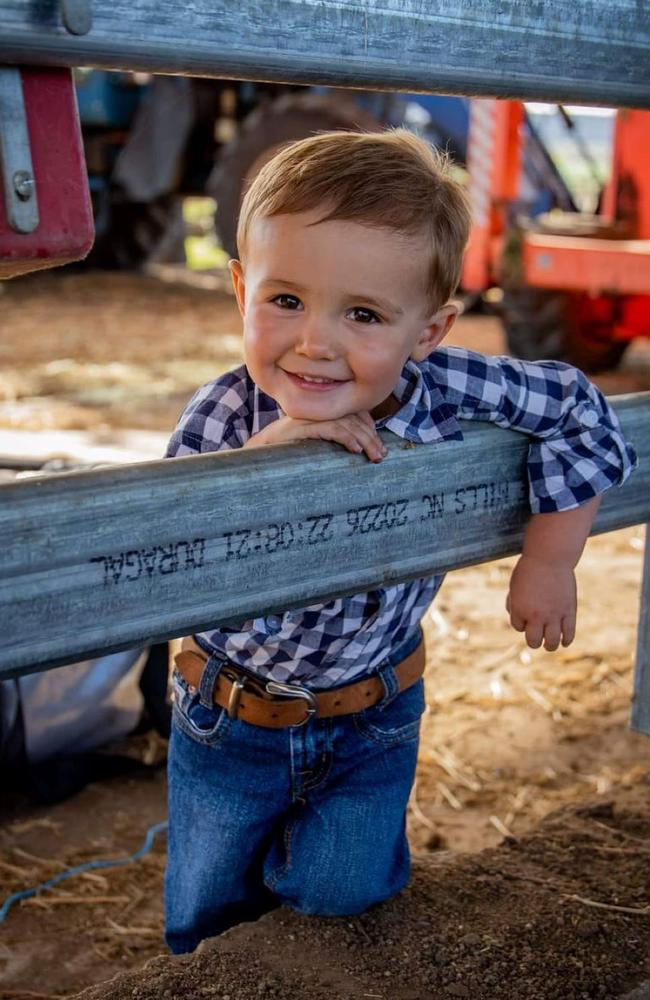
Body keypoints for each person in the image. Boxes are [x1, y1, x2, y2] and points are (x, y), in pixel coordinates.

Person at [163, 129, 636, 953]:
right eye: (285, 301)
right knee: (209, 921)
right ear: (240, 288)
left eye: (364, 314)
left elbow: (576, 407)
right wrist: (252, 471)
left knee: (342, 896)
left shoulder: (448, 387)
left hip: (373, 718)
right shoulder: (221, 416)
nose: (315, 341)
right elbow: (168, 553)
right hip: (228, 718)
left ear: (428, 330)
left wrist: (551, 557)